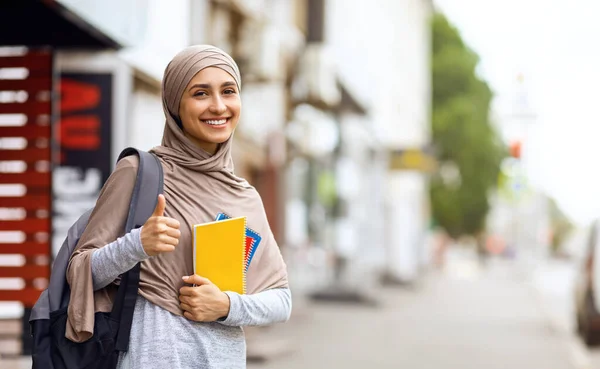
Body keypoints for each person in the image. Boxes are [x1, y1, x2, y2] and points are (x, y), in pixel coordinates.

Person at [65, 45, 292, 369]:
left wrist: (226, 305)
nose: (218, 106)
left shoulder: (244, 196)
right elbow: (81, 271)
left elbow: (281, 300)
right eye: (200, 93)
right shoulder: (138, 173)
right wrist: (137, 244)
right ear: (175, 105)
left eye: (228, 91)